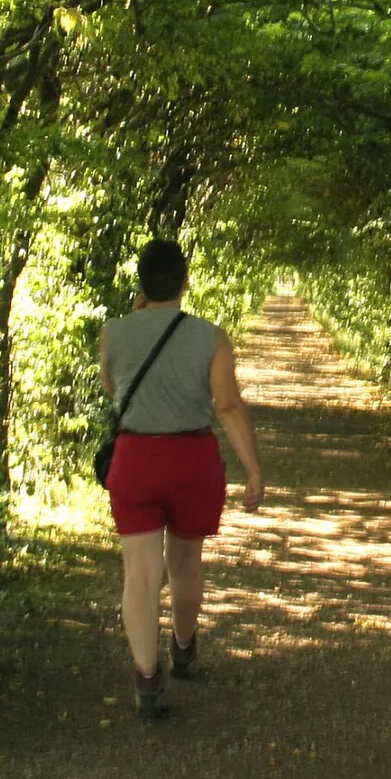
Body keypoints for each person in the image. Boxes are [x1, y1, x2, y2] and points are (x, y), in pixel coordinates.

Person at [97, 239, 265, 718]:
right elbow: (228, 405)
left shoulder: (113, 331)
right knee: (186, 562)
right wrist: (253, 468)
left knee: (141, 574)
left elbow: (114, 389)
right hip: (192, 458)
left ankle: (147, 682)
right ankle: (184, 648)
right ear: (184, 281)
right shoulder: (210, 336)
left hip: (134, 459)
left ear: (141, 284)